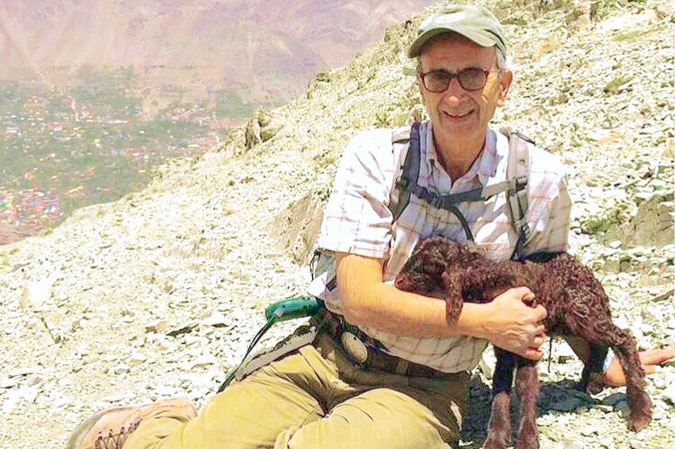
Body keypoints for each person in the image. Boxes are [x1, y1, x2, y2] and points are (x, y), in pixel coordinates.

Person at [68, 4, 674, 449]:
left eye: (472, 74)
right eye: (438, 76)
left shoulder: (536, 179)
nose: (454, 93)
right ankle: (159, 423)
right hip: (325, 353)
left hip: (423, 388)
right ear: (421, 85)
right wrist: (483, 322)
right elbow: (359, 296)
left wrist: (601, 364)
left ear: (502, 85)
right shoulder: (376, 157)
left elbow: (551, 289)